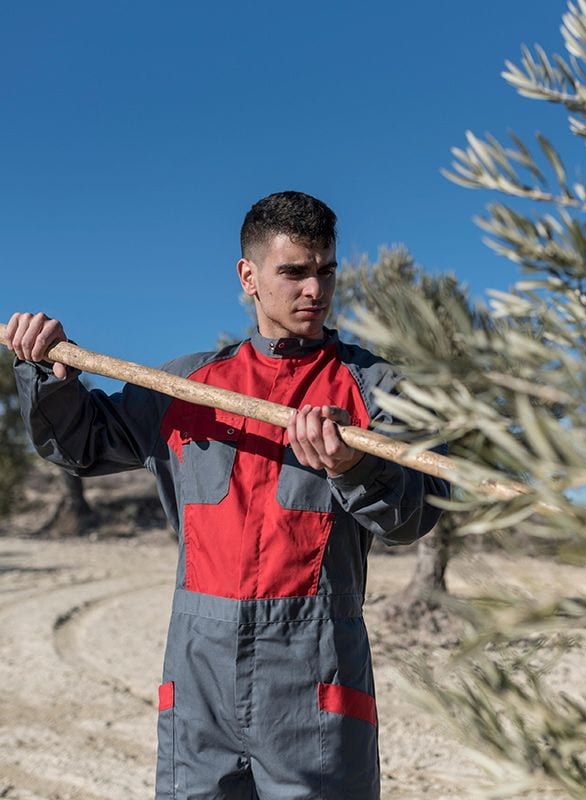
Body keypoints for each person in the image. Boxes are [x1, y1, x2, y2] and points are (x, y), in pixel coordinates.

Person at [5, 190, 449, 800]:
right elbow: (80, 444)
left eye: (326, 272)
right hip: (198, 679)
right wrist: (47, 370)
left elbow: (415, 513)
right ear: (249, 277)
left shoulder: (373, 391)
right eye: (294, 272)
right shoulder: (185, 385)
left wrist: (353, 467)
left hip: (317, 677)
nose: (314, 291)